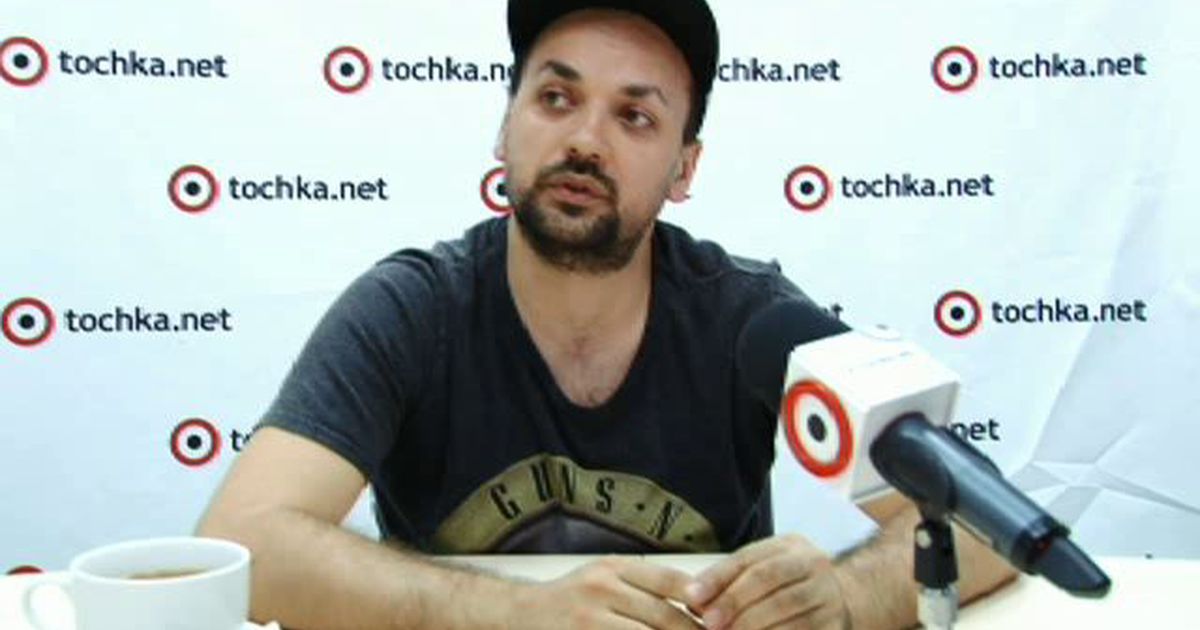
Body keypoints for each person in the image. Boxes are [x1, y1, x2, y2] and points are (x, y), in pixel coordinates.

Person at [198, 1, 1016, 628]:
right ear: (505, 127)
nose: (586, 140)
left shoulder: (750, 317)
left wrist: (847, 596)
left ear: (684, 169)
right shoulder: (412, 309)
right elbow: (244, 541)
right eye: (556, 97)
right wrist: (516, 615)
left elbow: (985, 526)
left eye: (635, 116)